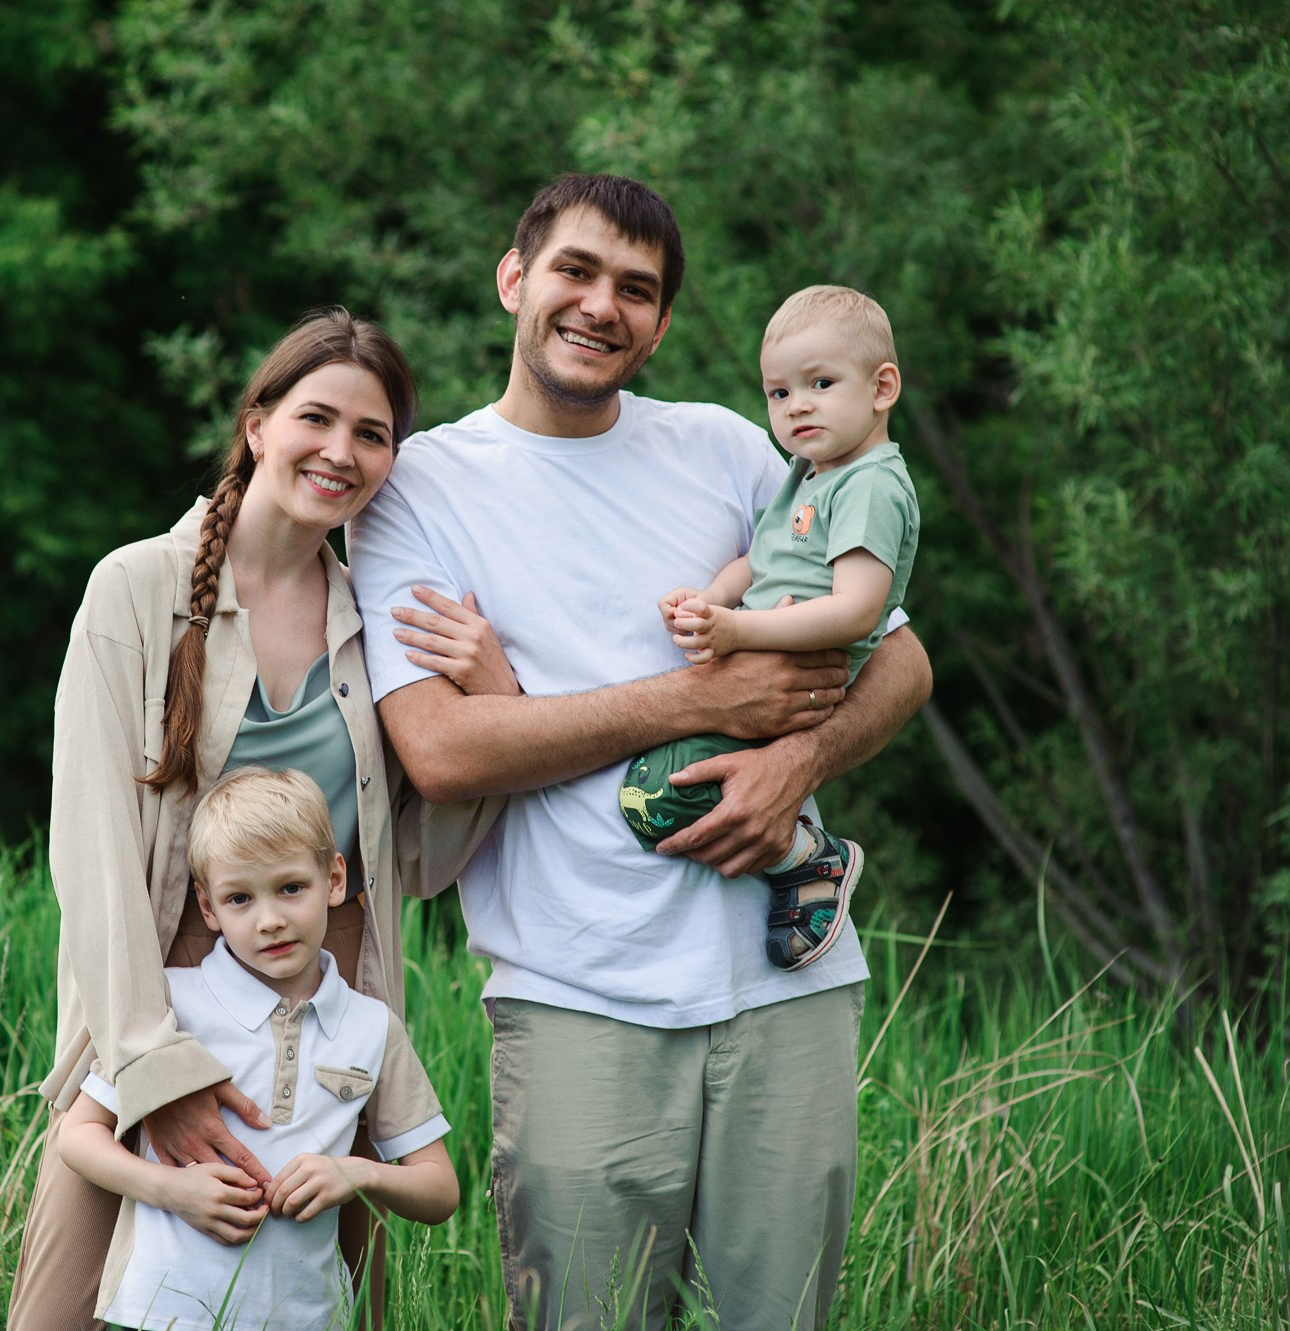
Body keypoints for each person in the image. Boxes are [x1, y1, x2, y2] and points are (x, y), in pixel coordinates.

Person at [350, 175, 933, 1330]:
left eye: (635, 288)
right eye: (573, 270)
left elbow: (901, 661)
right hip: (578, 990)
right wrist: (697, 696)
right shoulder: (418, 486)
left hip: (787, 978)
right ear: (513, 278)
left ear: (659, 324)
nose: (599, 305)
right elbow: (442, 749)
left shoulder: (727, 450)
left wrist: (795, 764)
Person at [8, 308, 515, 1331]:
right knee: (75, 1307)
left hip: (322, 1017)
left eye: (371, 434)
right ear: (256, 424)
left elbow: (414, 858)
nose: (340, 451)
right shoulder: (135, 589)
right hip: (156, 1002)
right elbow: (93, 853)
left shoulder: (375, 619)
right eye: (315, 418)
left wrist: (497, 702)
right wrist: (156, 1068)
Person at [58, 766, 460, 1331]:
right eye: (240, 898)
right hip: (165, 1313)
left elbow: (440, 1189)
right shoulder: (170, 1005)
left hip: (309, 1317)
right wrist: (172, 1190)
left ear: (334, 879)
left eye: (291, 888)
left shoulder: (372, 1027)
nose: (269, 921)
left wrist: (358, 1175)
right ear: (208, 908)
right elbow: (78, 1136)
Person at [626, 284, 920, 972]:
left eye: (821, 384)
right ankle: (793, 858)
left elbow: (858, 611)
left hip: (802, 679)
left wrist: (736, 632)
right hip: (763, 659)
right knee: (656, 786)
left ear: (882, 388)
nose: (797, 407)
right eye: (779, 393)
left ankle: (808, 857)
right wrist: (709, 598)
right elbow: (760, 560)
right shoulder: (808, 474)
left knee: (659, 797)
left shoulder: (871, 484)